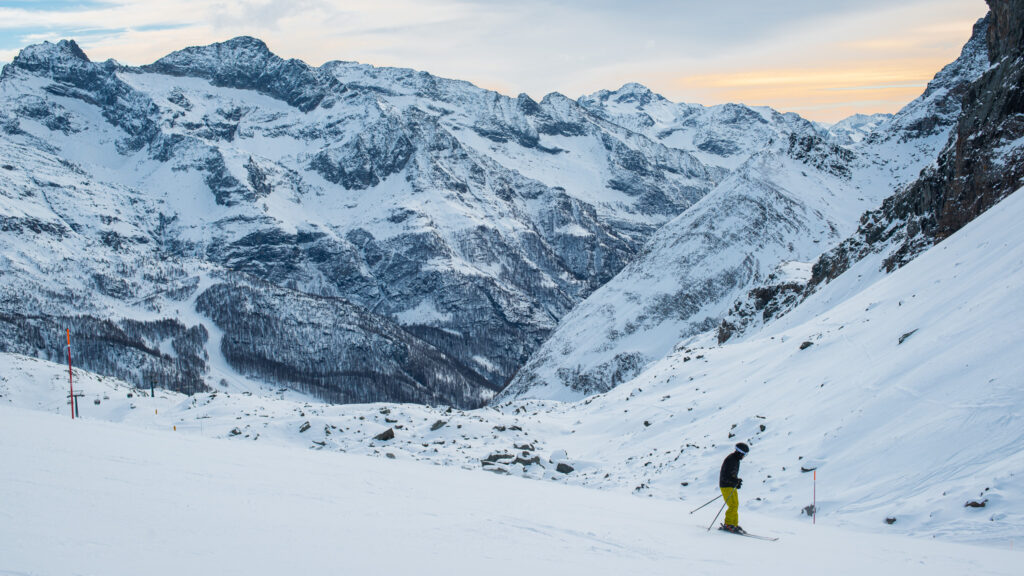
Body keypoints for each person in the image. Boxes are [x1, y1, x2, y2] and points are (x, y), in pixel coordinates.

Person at [719, 442, 749, 533]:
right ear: (740, 453)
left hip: (731, 486)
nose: (744, 456)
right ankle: (728, 524)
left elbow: (732, 475)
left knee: (735, 504)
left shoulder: (735, 460)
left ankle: (734, 524)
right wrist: (735, 481)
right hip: (726, 485)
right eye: (744, 454)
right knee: (733, 505)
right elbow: (726, 476)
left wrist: (737, 482)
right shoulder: (731, 460)